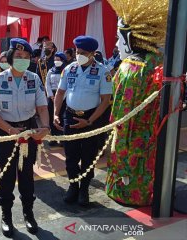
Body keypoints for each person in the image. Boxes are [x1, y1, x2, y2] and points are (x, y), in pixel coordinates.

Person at [105, 0, 168, 206]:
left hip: (131, 138)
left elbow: (121, 117)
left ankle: (126, 192)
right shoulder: (159, 63)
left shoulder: (130, 68)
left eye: (118, 38)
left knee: (130, 171)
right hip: (154, 134)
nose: (116, 45)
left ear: (130, 38)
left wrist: (119, 158)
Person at [0, 38, 50, 237]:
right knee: (6, 175)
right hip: (6, 132)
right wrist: (8, 129)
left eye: (26, 57)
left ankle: (28, 214)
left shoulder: (34, 78)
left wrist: (45, 126)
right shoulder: (0, 79)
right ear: (11, 57)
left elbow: (41, 107)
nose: (22, 59)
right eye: (19, 56)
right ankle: (6, 215)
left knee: (26, 174)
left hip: (28, 131)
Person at [54, 36, 112, 206]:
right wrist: (56, 113)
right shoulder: (69, 69)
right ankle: (73, 186)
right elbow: (60, 93)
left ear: (93, 53)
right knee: (71, 155)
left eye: (84, 53)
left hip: (91, 118)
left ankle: (84, 189)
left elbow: (105, 100)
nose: (79, 55)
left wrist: (89, 121)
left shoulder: (103, 72)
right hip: (70, 116)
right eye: (77, 52)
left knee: (88, 156)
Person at [45, 51, 68, 146]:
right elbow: (47, 83)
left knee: (62, 117)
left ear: (63, 60)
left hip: (63, 96)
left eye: (58, 59)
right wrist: (51, 95)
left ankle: (62, 138)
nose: (56, 61)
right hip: (52, 96)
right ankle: (53, 137)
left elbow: (68, 86)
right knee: (52, 116)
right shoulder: (51, 70)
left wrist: (61, 98)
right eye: (55, 59)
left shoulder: (66, 70)